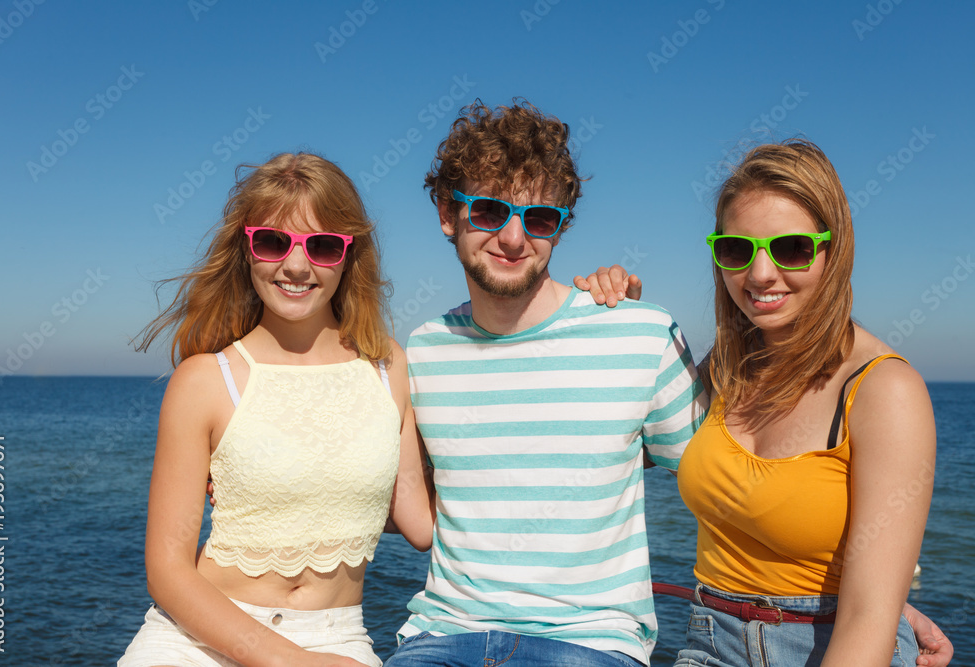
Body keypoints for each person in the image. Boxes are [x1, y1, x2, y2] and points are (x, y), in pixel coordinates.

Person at [580, 140, 948, 666]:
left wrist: (892, 610)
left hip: (829, 645)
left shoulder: (884, 391)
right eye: (736, 249)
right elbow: (607, 452)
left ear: (834, 249)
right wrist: (619, 337)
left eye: (791, 248)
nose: (759, 275)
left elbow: (868, 617)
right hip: (711, 637)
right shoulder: (728, 365)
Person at [383, 100, 708, 666]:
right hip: (441, 636)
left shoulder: (640, 334)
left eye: (538, 219)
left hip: (589, 643)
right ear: (446, 212)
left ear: (559, 228)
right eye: (488, 210)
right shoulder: (423, 352)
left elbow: (733, 488)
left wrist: (854, 594)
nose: (513, 238)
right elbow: (411, 494)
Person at [120, 152, 434, 667]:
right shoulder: (203, 380)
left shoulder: (388, 367)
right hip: (199, 641)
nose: (295, 265)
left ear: (350, 254)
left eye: (323, 245)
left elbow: (419, 522)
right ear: (246, 249)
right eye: (272, 241)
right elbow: (167, 570)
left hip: (335, 640)